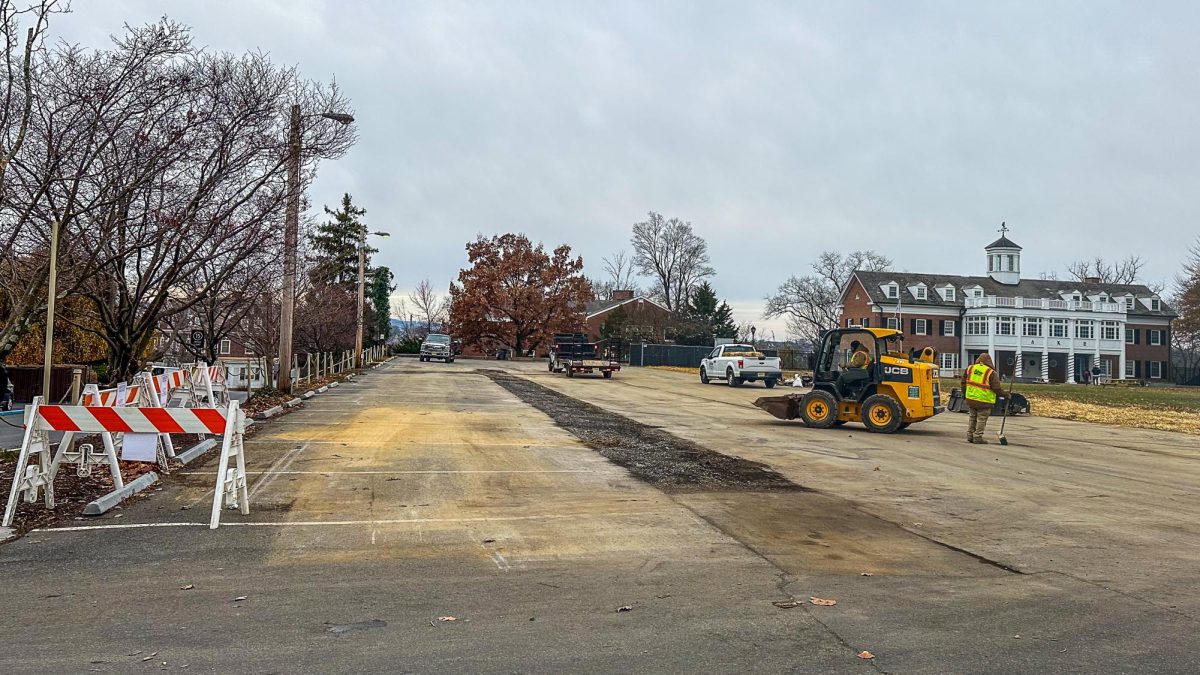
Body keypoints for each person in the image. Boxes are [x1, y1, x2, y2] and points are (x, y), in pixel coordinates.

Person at [962, 353, 1004, 444]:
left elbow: (963, 383)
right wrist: (1005, 395)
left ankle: (970, 435)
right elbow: (996, 388)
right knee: (981, 419)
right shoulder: (991, 372)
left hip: (971, 399)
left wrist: (964, 394)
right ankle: (977, 437)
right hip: (984, 401)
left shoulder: (970, 369)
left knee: (972, 417)